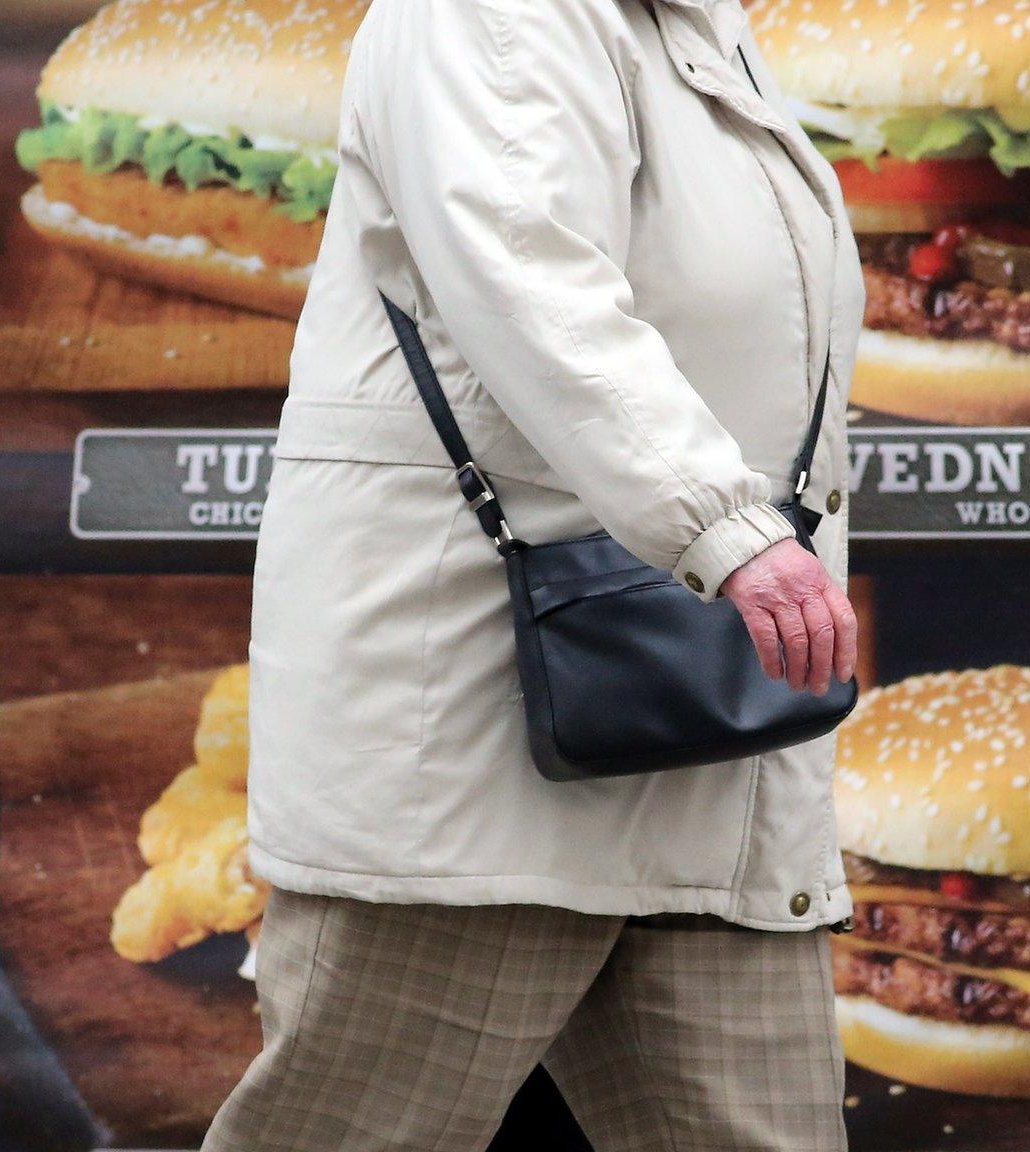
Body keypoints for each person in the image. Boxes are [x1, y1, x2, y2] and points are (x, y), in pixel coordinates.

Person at [206, 0, 863, 1148]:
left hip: (705, 734)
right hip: (475, 751)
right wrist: (728, 528)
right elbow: (527, 275)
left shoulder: (693, 21)